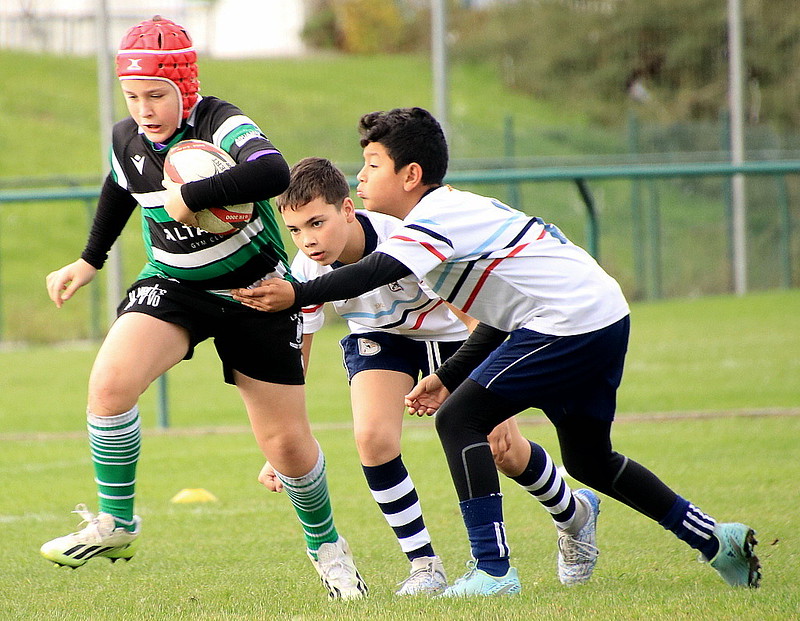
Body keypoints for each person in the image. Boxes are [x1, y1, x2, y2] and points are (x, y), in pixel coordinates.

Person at [232, 107, 761, 596]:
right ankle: (718, 540)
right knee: (589, 460)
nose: (362, 177)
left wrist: (297, 293)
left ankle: (492, 570)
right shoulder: (443, 215)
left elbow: (381, 270)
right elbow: (497, 317)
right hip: (593, 315)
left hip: (568, 322)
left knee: (462, 421)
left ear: (410, 175)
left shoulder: (434, 215)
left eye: (372, 165)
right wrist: (448, 375)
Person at [40, 16, 367, 601]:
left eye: (157, 95)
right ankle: (117, 524)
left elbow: (271, 171)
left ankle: (328, 548)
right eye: (134, 96)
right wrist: (88, 261)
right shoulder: (128, 138)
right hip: (173, 286)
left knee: (288, 448)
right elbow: (121, 185)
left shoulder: (220, 121)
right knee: (109, 384)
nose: (145, 109)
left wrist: (191, 196)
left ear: (185, 87)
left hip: (256, 292)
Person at [249, 156, 602, 595]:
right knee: (372, 440)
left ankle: (576, 512)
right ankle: (424, 565)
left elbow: (477, 320)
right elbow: (296, 359)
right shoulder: (305, 272)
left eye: (317, 223)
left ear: (346, 208)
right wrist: (283, 446)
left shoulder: (404, 239)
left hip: (456, 335)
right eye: (296, 230)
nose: (309, 241)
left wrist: (489, 394)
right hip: (381, 335)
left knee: (503, 449)